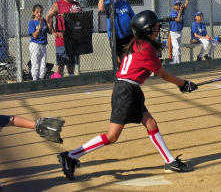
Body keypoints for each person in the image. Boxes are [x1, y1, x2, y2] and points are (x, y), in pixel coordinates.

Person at [57, 10, 198, 181]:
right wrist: (183, 84)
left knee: (150, 123)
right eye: (154, 28)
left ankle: (169, 161)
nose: (157, 30)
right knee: (112, 136)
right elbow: (162, 74)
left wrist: (181, 84)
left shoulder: (138, 43)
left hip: (129, 89)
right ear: (145, 31)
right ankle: (71, 156)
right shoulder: (145, 48)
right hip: (126, 91)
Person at [46, 0, 82, 78]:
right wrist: (53, 31)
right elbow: (48, 17)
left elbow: (82, 18)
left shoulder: (76, 4)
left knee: (71, 61)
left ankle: (71, 78)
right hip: (62, 39)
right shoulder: (58, 4)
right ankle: (59, 80)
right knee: (61, 62)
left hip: (74, 39)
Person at [98, 0, 135, 66]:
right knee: (118, 56)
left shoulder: (125, 3)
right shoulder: (108, 4)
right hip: (115, 35)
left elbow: (133, 16)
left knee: (129, 55)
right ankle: (119, 72)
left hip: (128, 34)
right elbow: (100, 9)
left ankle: (126, 72)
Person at [28, 4, 49, 80]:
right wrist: (39, 26)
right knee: (35, 63)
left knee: (43, 64)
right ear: (33, 13)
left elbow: (49, 31)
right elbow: (34, 35)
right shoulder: (32, 23)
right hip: (35, 44)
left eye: (41, 12)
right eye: (37, 12)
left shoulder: (44, 21)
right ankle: (34, 79)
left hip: (43, 44)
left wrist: (49, 22)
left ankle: (41, 78)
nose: (39, 14)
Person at [169, 0, 190, 64]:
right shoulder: (172, 13)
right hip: (173, 33)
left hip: (179, 32)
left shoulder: (181, 10)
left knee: (177, 49)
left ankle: (177, 62)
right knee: (177, 48)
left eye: (179, 5)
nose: (179, 6)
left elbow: (186, 3)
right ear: (174, 6)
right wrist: (180, 10)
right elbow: (177, 19)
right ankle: (176, 62)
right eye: (177, 5)